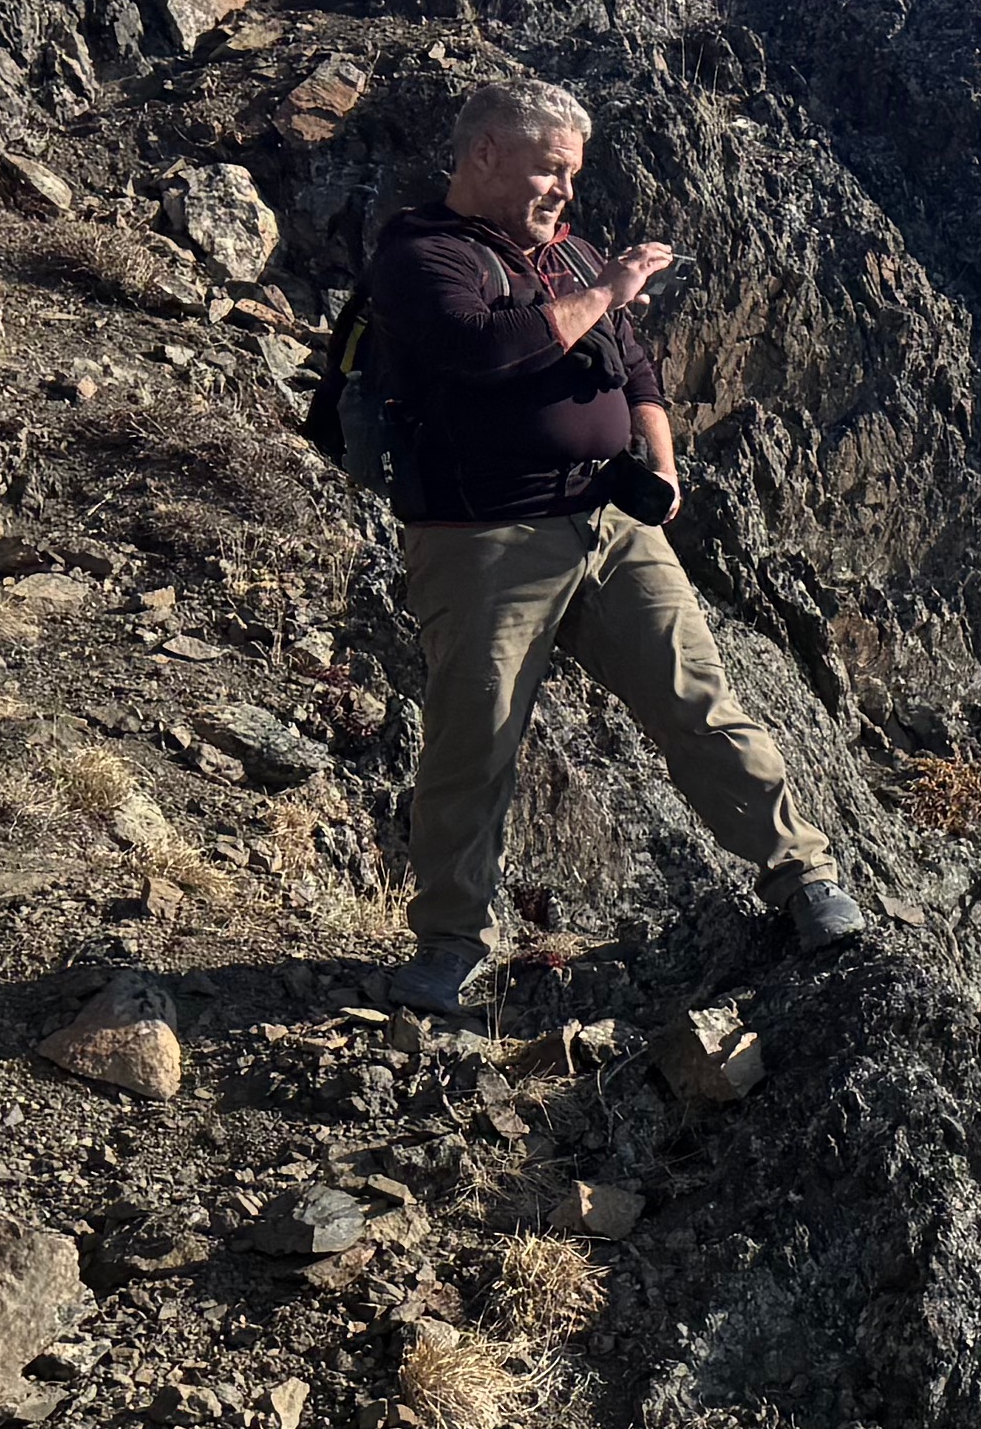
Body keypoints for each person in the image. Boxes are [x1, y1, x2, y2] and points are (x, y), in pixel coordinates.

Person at [366, 75, 862, 1018]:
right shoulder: (422, 253)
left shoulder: (572, 256)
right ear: (485, 154)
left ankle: (802, 878)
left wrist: (660, 466)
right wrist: (609, 287)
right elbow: (488, 351)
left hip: (611, 524)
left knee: (698, 704)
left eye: (573, 176)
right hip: (484, 540)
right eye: (550, 170)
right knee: (475, 740)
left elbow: (637, 372)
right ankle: (450, 941)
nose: (564, 193)